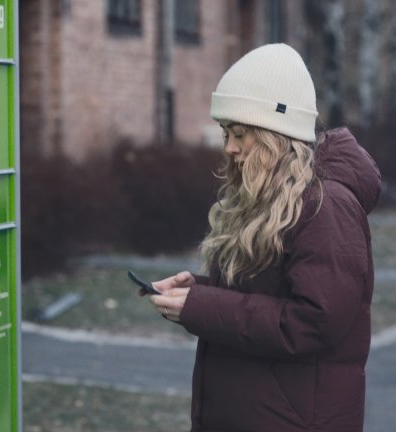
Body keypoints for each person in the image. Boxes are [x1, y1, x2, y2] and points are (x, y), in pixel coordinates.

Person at [146, 43, 381, 431]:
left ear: (277, 135)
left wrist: (204, 306)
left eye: (240, 133)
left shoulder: (327, 206)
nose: (229, 148)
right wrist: (197, 291)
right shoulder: (273, 196)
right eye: (225, 132)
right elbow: (272, 293)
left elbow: (313, 322)